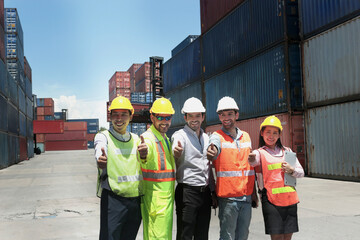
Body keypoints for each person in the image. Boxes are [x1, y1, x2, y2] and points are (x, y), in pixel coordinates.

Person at [95, 96, 148, 240]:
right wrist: (100, 159)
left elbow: (143, 164)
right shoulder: (103, 136)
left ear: (131, 116)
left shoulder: (137, 139)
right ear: (110, 116)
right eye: (115, 114)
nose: (119, 118)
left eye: (124, 114)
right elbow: (100, 149)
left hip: (134, 201)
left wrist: (144, 156)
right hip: (113, 200)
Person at [206, 96, 258, 240]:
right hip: (228, 199)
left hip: (246, 197)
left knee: (243, 236)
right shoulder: (217, 136)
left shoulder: (246, 137)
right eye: (222, 114)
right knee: (227, 237)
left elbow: (250, 168)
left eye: (229, 114)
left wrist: (254, 193)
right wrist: (213, 151)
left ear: (237, 115)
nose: (226, 118)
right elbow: (213, 146)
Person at [248, 115, 304, 240]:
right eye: (268, 132)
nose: (271, 136)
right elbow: (253, 161)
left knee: (288, 237)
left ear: (279, 135)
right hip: (270, 201)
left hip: (290, 199)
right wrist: (250, 157)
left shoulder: (287, 152)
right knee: (277, 237)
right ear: (262, 133)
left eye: (275, 133)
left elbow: (301, 172)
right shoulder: (259, 153)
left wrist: (292, 170)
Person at [171, 97, 217, 240]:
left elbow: (208, 168)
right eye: (190, 116)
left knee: (202, 235)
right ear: (185, 117)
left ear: (203, 117)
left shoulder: (206, 138)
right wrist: (176, 152)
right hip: (187, 192)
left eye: (197, 115)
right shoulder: (180, 136)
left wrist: (213, 191)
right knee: (185, 235)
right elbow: (176, 147)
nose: (194, 119)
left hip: (205, 193)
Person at [139, 97, 176, 240]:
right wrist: (143, 154)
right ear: (152, 117)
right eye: (160, 117)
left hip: (164, 201)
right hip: (156, 202)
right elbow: (144, 153)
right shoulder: (148, 138)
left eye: (168, 117)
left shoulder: (165, 139)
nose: (164, 121)